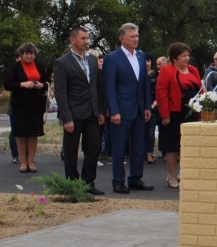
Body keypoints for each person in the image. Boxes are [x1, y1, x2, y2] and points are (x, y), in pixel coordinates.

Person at [53, 27, 106, 195]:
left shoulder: (92, 59)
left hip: (92, 112)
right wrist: (67, 118)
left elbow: (97, 87)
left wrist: (101, 111)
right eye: (83, 38)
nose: (86, 41)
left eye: (87, 38)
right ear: (72, 40)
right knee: (71, 150)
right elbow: (60, 92)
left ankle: (88, 182)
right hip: (73, 113)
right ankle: (72, 184)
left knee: (95, 147)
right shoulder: (62, 62)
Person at [103, 23, 154, 194]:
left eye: (137, 36)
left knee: (139, 146)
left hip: (139, 109)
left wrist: (147, 106)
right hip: (122, 110)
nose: (135, 39)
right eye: (132, 36)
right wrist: (114, 110)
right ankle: (118, 181)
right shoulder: (113, 58)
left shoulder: (140, 56)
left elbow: (145, 84)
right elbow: (109, 87)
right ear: (122, 38)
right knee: (119, 147)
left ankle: (135, 178)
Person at [156, 42, 201, 188]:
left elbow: (201, 89)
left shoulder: (193, 70)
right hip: (175, 113)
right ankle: (171, 175)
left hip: (192, 113)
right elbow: (161, 93)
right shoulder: (167, 70)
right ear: (174, 58)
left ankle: (186, 173)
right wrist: (165, 115)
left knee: (190, 145)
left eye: (188, 55)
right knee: (173, 145)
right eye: (183, 56)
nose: (187, 58)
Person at [4, 42, 49, 174]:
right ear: (22, 54)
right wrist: (23, 84)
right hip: (20, 105)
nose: (29, 56)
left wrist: (42, 85)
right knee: (21, 134)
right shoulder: (15, 67)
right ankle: (23, 162)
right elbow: (8, 84)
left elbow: (47, 82)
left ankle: (31, 161)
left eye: (31, 54)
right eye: (26, 54)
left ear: (34, 54)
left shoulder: (39, 66)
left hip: (36, 104)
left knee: (33, 133)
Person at [6, 49, 21, 165]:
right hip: (14, 105)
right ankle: (15, 155)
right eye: (20, 57)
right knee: (15, 130)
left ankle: (26, 155)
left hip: (28, 104)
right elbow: (9, 85)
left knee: (27, 131)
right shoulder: (13, 70)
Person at [145, 53, 159, 165]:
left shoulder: (156, 75)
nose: (147, 63)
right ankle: (138, 153)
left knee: (150, 132)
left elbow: (159, 91)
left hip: (153, 107)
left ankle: (149, 153)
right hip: (139, 107)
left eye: (149, 60)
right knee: (139, 132)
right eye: (145, 61)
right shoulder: (137, 74)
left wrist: (154, 103)